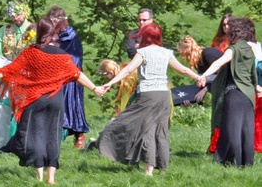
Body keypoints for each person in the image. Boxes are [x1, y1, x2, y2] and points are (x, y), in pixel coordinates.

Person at [0, 16, 104, 184]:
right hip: (55, 101)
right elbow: (77, 74)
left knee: (35, 137)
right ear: (54, 34)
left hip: (35, 100)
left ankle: (40, 177)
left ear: (39, 32)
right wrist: (95, 88)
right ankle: (51, 178)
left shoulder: (31, 52)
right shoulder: (63, 55)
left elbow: (9, 69)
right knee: (53, 137)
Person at [98, 23, 202, 176]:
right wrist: (198, 77)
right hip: (164, 96)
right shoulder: (166, 52)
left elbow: (127, 70)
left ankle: (148, 171)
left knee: (146, 130)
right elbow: (184, 69)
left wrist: (110, 83)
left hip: (148, 95)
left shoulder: (143, 52)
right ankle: (163, 170)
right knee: (162, 132)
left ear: (145, 37)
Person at [199, 17, 257, 167]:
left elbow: (218, 62)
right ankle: (247, 163)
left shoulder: (234, 49)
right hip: (249, 95)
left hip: (235, 93)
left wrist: (204, 75)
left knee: (233, 129)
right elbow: (252, 73)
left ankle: (233, 162)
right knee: (246, 131)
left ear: (234, 32)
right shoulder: (249, 49)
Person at [0, 0, 36, 153]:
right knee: (3, 110)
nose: (15, 18)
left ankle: (23, 144)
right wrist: (1, 61)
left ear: (25, 12)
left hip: (26, 77)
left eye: (18, 14)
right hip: (6, 76)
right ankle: (2, 147)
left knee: (25, 111)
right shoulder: (4, 29)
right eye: (12, 15)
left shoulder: (34, 30)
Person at [46, 6, 88, 150]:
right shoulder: (50, 34)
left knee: (73, 104)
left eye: (55, 21)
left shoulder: (71, 35)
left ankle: (79, 134)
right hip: (53, 76)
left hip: (70, 77)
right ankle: (54, 135)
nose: (53, 24)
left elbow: (75, 58)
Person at [177, 35, 223, 153]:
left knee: (221, 118)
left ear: (190, 50)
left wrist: (205, 89)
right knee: (216, 119)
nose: (184, 58)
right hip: (217, 91)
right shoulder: (199, 63)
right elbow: (204, 82)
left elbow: (221, 74)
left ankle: (218, 149)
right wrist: (192, 98)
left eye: (185, 54)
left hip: (227, 89)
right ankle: (215, 147)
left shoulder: (208, 54)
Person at [244, 17, 262, 152]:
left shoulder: (247, 47)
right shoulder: (258, 45)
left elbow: (255, 67)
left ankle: (255, 144)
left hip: (253, 84)